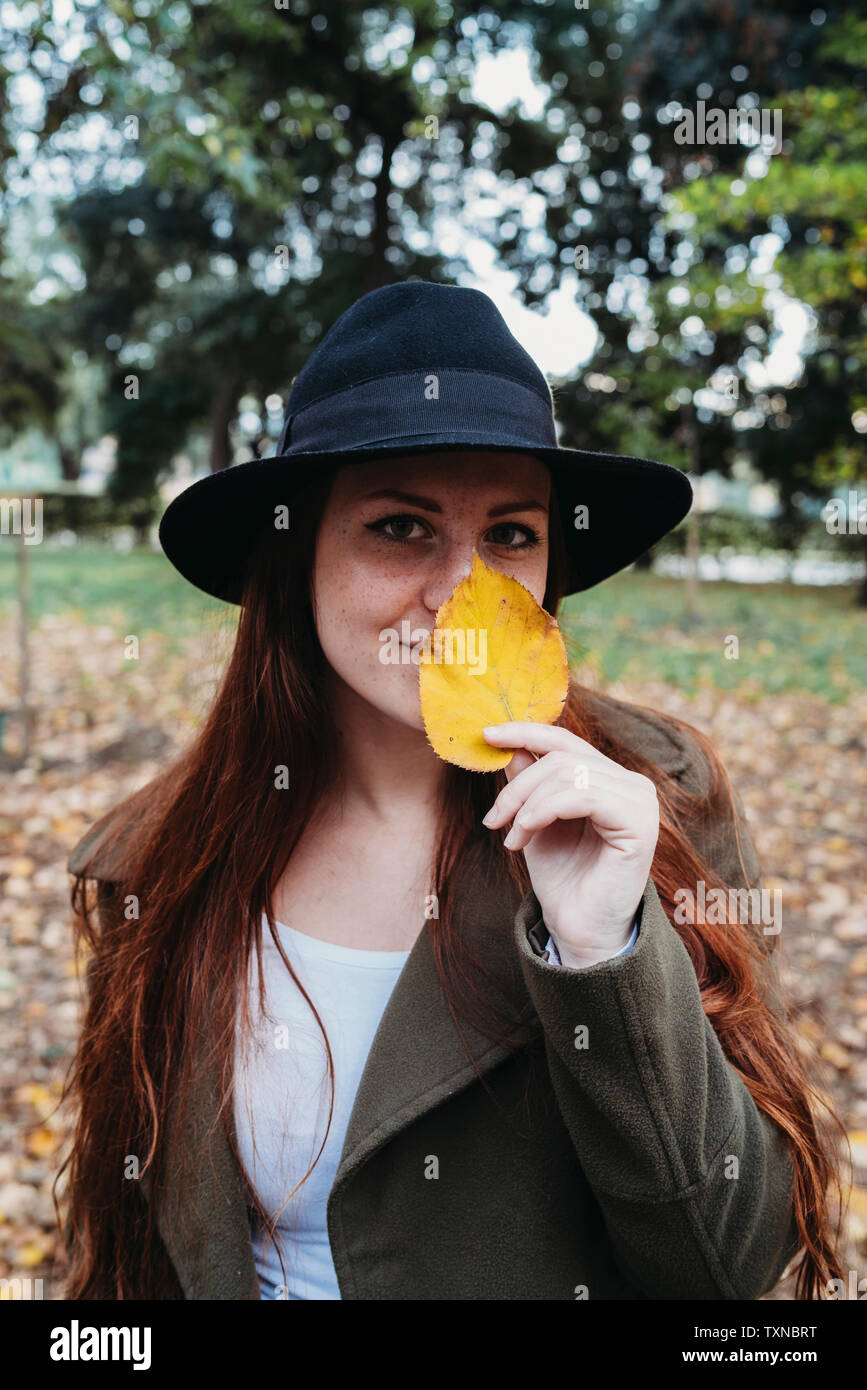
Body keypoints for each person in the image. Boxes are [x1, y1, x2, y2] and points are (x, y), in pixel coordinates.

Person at [60, 281, 845, 1300]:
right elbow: (126, 1253)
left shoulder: (656, 805)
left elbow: (726, 1267)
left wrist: (603, 950)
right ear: (297, 554)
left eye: (511, 535)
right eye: (399, 526)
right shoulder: (163, 851)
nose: (461, 596)